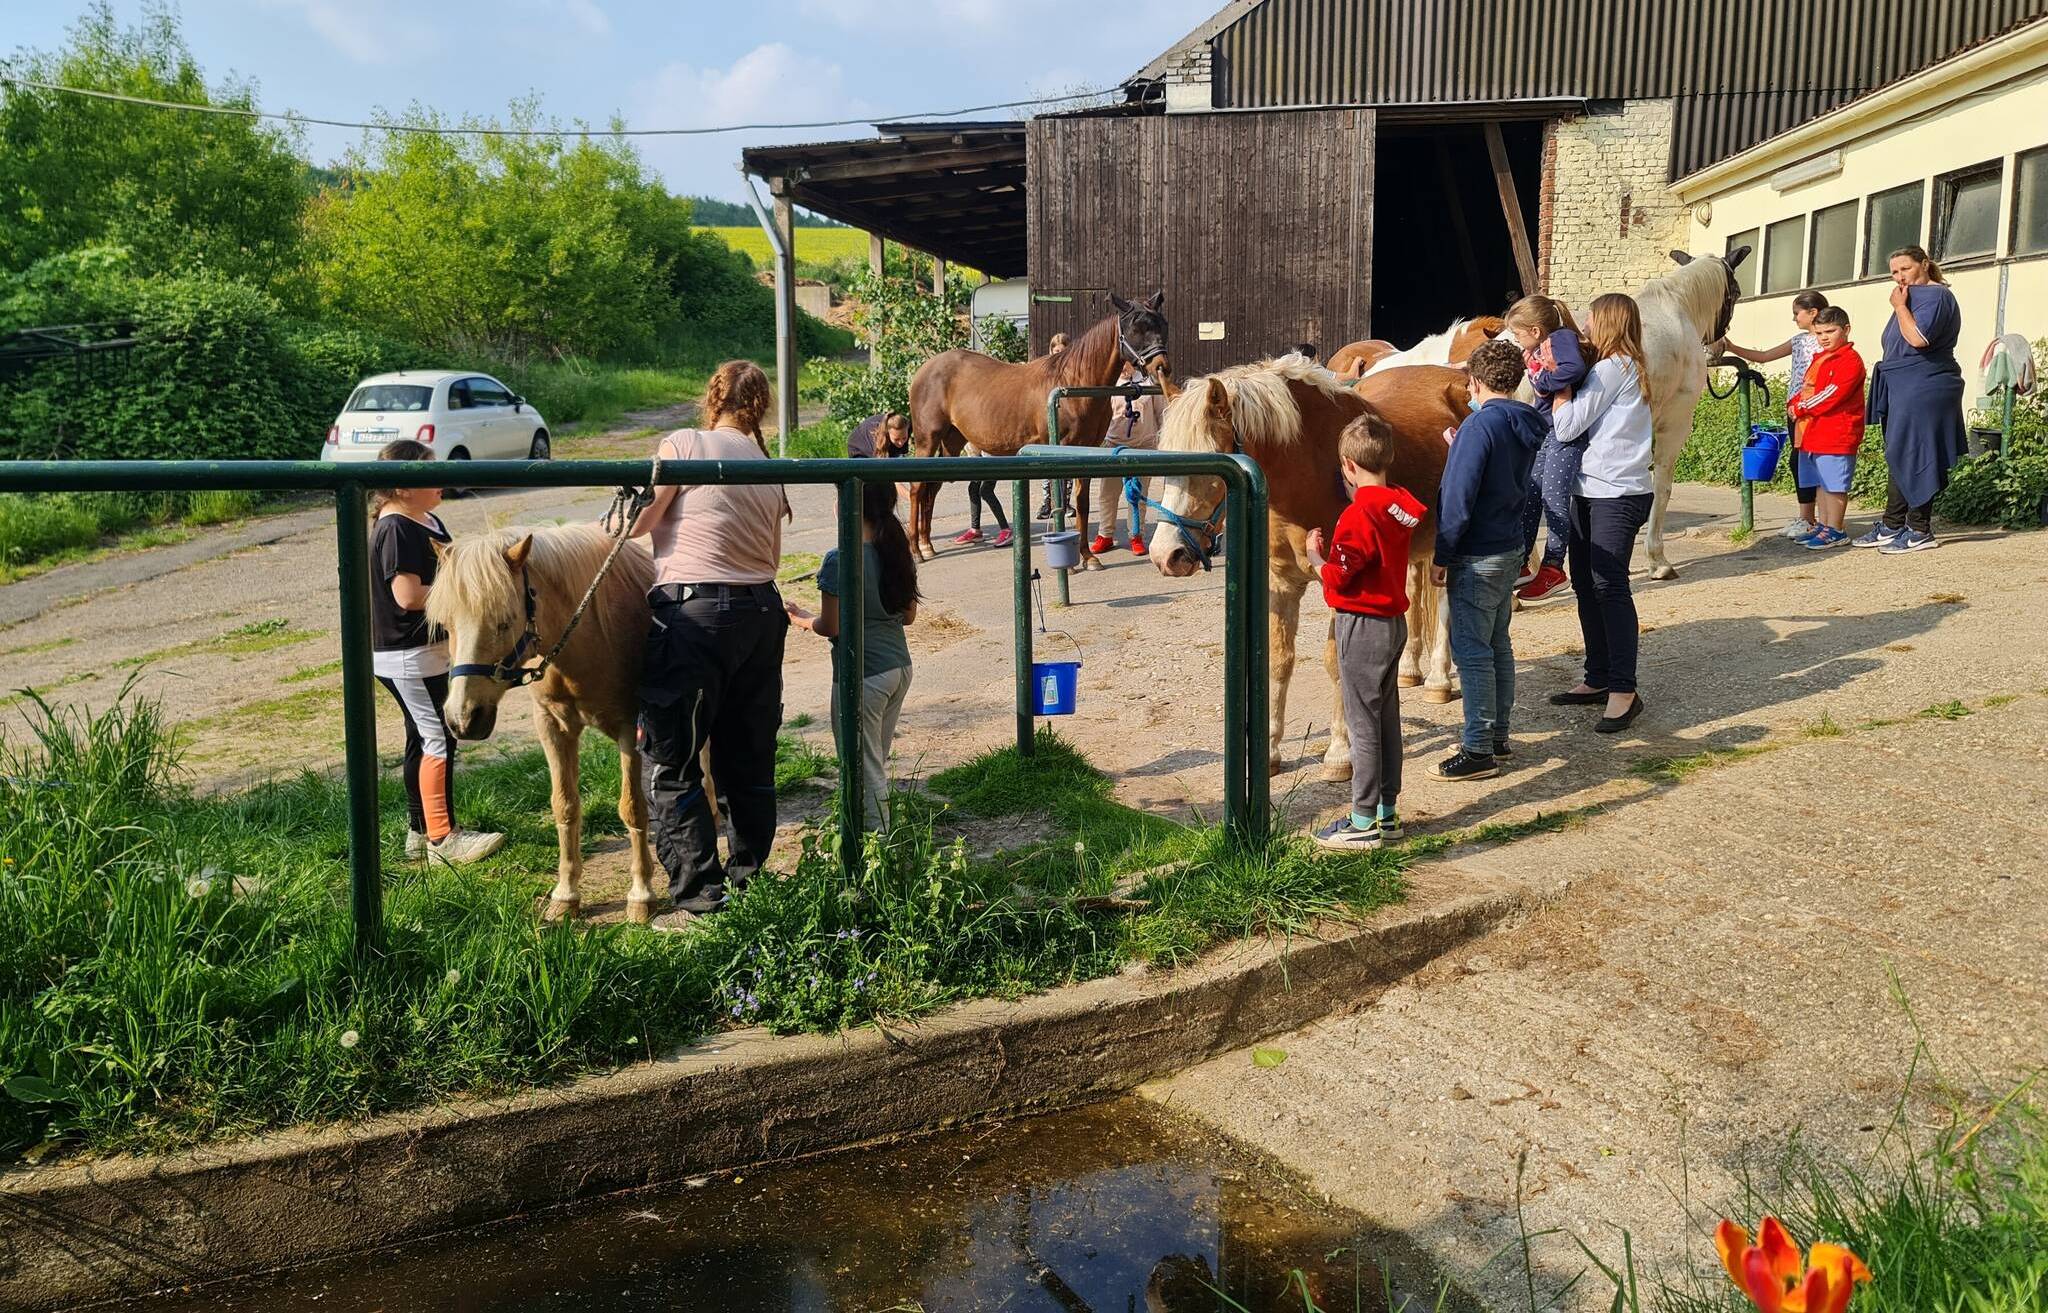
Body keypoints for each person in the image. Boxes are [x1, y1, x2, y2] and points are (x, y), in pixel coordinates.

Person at [628, 361, 791, 922]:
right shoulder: (766, 464)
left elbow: (639, 523)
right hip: (762, 610)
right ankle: (750, 885)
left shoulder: (685, 443)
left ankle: (700, 895)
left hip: (695, 614)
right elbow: (769, 554)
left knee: (671, 760)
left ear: (711, 397)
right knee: (747, 757)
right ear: (760, 406)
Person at [368, 440, 504, 865]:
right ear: (403, 487)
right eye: (429, 473)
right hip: (407, 655)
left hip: (428, 652)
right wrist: (465, 594)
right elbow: (407, 596)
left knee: (421, 737)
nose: (440, 479)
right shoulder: (395, 528)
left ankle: (418, 830)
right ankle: (443, 839)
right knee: (437, 739)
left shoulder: (424, 519)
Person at [1305, 410, 1427, 850]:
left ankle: (1361, 820)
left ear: (1349, 467)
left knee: (1361, 724)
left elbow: (1340, 579)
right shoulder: (1399, 505)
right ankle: (1387, 812)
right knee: (1385, 718)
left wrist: (1316, 557)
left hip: (1361, 624)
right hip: (1393, 623)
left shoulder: (1357, 516)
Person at [1430, 338, 1547, 780]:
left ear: (1474, 382)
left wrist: (1443, 552)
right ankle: (1499, 733)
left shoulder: (1479, 428)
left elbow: (1458, 499)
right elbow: (1497, 467)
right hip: (1508, 547)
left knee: (1472, 651)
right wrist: (1461, 446)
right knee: (1498, 643)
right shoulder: (1524, 420)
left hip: (1476, 553)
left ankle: (1477, 749)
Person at [1548, 294, 1657, 735]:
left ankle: (1624, 691)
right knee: (1588, 585)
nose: (1586, 322)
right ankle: (1598, 677)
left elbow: (1568, 425)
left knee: (1609, 586)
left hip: (1615, 491)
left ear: (1607, 321)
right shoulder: (1622, 365)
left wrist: (1559, 388)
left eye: (1591, 316)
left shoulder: (1614, 369)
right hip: (1593, 488)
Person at [786, 483, 920, 830]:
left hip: (864, 673)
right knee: (875, 760)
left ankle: (875, 852)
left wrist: (799, 618)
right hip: (898, 667)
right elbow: (908, 617)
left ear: (848, 506)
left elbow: (831, 627)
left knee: (863, 768)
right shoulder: (896, 551)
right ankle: (873, 836)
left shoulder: (839, 558)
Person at [1855, 245, 1965, 553]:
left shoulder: (1938, 296)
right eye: (1894, 271)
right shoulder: (1910, 296)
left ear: (1924, 264)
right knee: (1900, 454)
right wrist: (1901, 305)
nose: (1899, 276)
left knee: (1918, 453)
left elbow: (1919, 339)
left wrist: (1900, 307)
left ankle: (1919, 530)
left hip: (1925, 385)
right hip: (1902, 384)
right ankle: (1892, 525)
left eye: (1905, 268)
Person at [1501, 295, 1589, 603]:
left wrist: (1545, 380)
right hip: (1545, 433)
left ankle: (1553, 566)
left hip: (1563, 434)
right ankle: (1523, 562)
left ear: (1536, 331)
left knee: (1554, 497)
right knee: (1531, 493)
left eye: (1518, 334)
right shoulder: (1538, 348)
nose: (1517, 340)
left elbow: (1574, 368)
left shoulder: (1561, 339)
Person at [1722, 290, 1830, 540]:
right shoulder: (1799, 340)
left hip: (1813, 408)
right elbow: (1764, 356)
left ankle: (1814, 519)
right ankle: (1807, 517)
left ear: (1812, 313)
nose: (1794, 319)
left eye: (1797, 313)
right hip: (1795, 409)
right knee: (1799, 461)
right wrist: (1732, 347)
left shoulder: (1825, 341)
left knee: (1805, 461)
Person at [1784, 307, 1866, 550]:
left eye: (1830, 331)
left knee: (1834, 484)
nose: (1824, 337)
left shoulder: (1849, 360)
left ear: (1846, 330)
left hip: (1837, 432)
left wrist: (1800, 407)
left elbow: (1831, 394)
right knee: (1820, 482)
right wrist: (1794, 401)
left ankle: (1836, 529)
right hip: (1814, 432)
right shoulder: (1821, 357)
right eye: (1819, 333)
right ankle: (1823, 524)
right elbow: (1807, 387)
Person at [1090, 363, 1162, 556]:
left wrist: (1162, 444)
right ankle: (1105, 534)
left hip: (1144, 445)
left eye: (1127, 362)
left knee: (1138, 495)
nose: (1123, 366)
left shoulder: (1148, 383)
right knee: (1108, 493)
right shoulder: (1110, 384)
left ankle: (1136, 535)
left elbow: (1161, 414)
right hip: (1115, 446)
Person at [953, 448, 1014, 548]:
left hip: (993, 454)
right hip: (982, 455)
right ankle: (975, 530)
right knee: (973, 488)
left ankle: (1006, 530)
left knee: (986, 491)